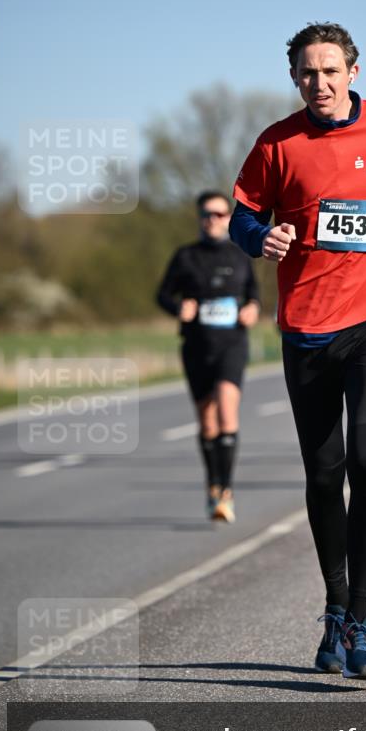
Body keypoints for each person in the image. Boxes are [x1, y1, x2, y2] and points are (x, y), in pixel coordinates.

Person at [229, 22, 366, 680]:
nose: (317, 83)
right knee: (323, 474)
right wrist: (256, 239)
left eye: (328, 71)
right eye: (305, 73)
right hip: (306, 328)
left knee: (365, 458)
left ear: (352, 71)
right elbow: (242, 214)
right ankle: (332, 610)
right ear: (292, 77)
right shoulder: (276, 144)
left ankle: (361, 619)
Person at [156, 190, 260, 522]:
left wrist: (253, 309)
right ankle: (212, 484)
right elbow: (162, 295)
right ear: (200, 218)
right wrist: (178, 307)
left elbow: (253, 294)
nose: (211, 220)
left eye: (218, 214)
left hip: (232, 344)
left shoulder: (240, 255)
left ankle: (226, 493)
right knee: (207, 420)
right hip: (197, 346)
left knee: (228, 412)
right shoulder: (185, 256)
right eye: (206, 214)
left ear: (229, 218)